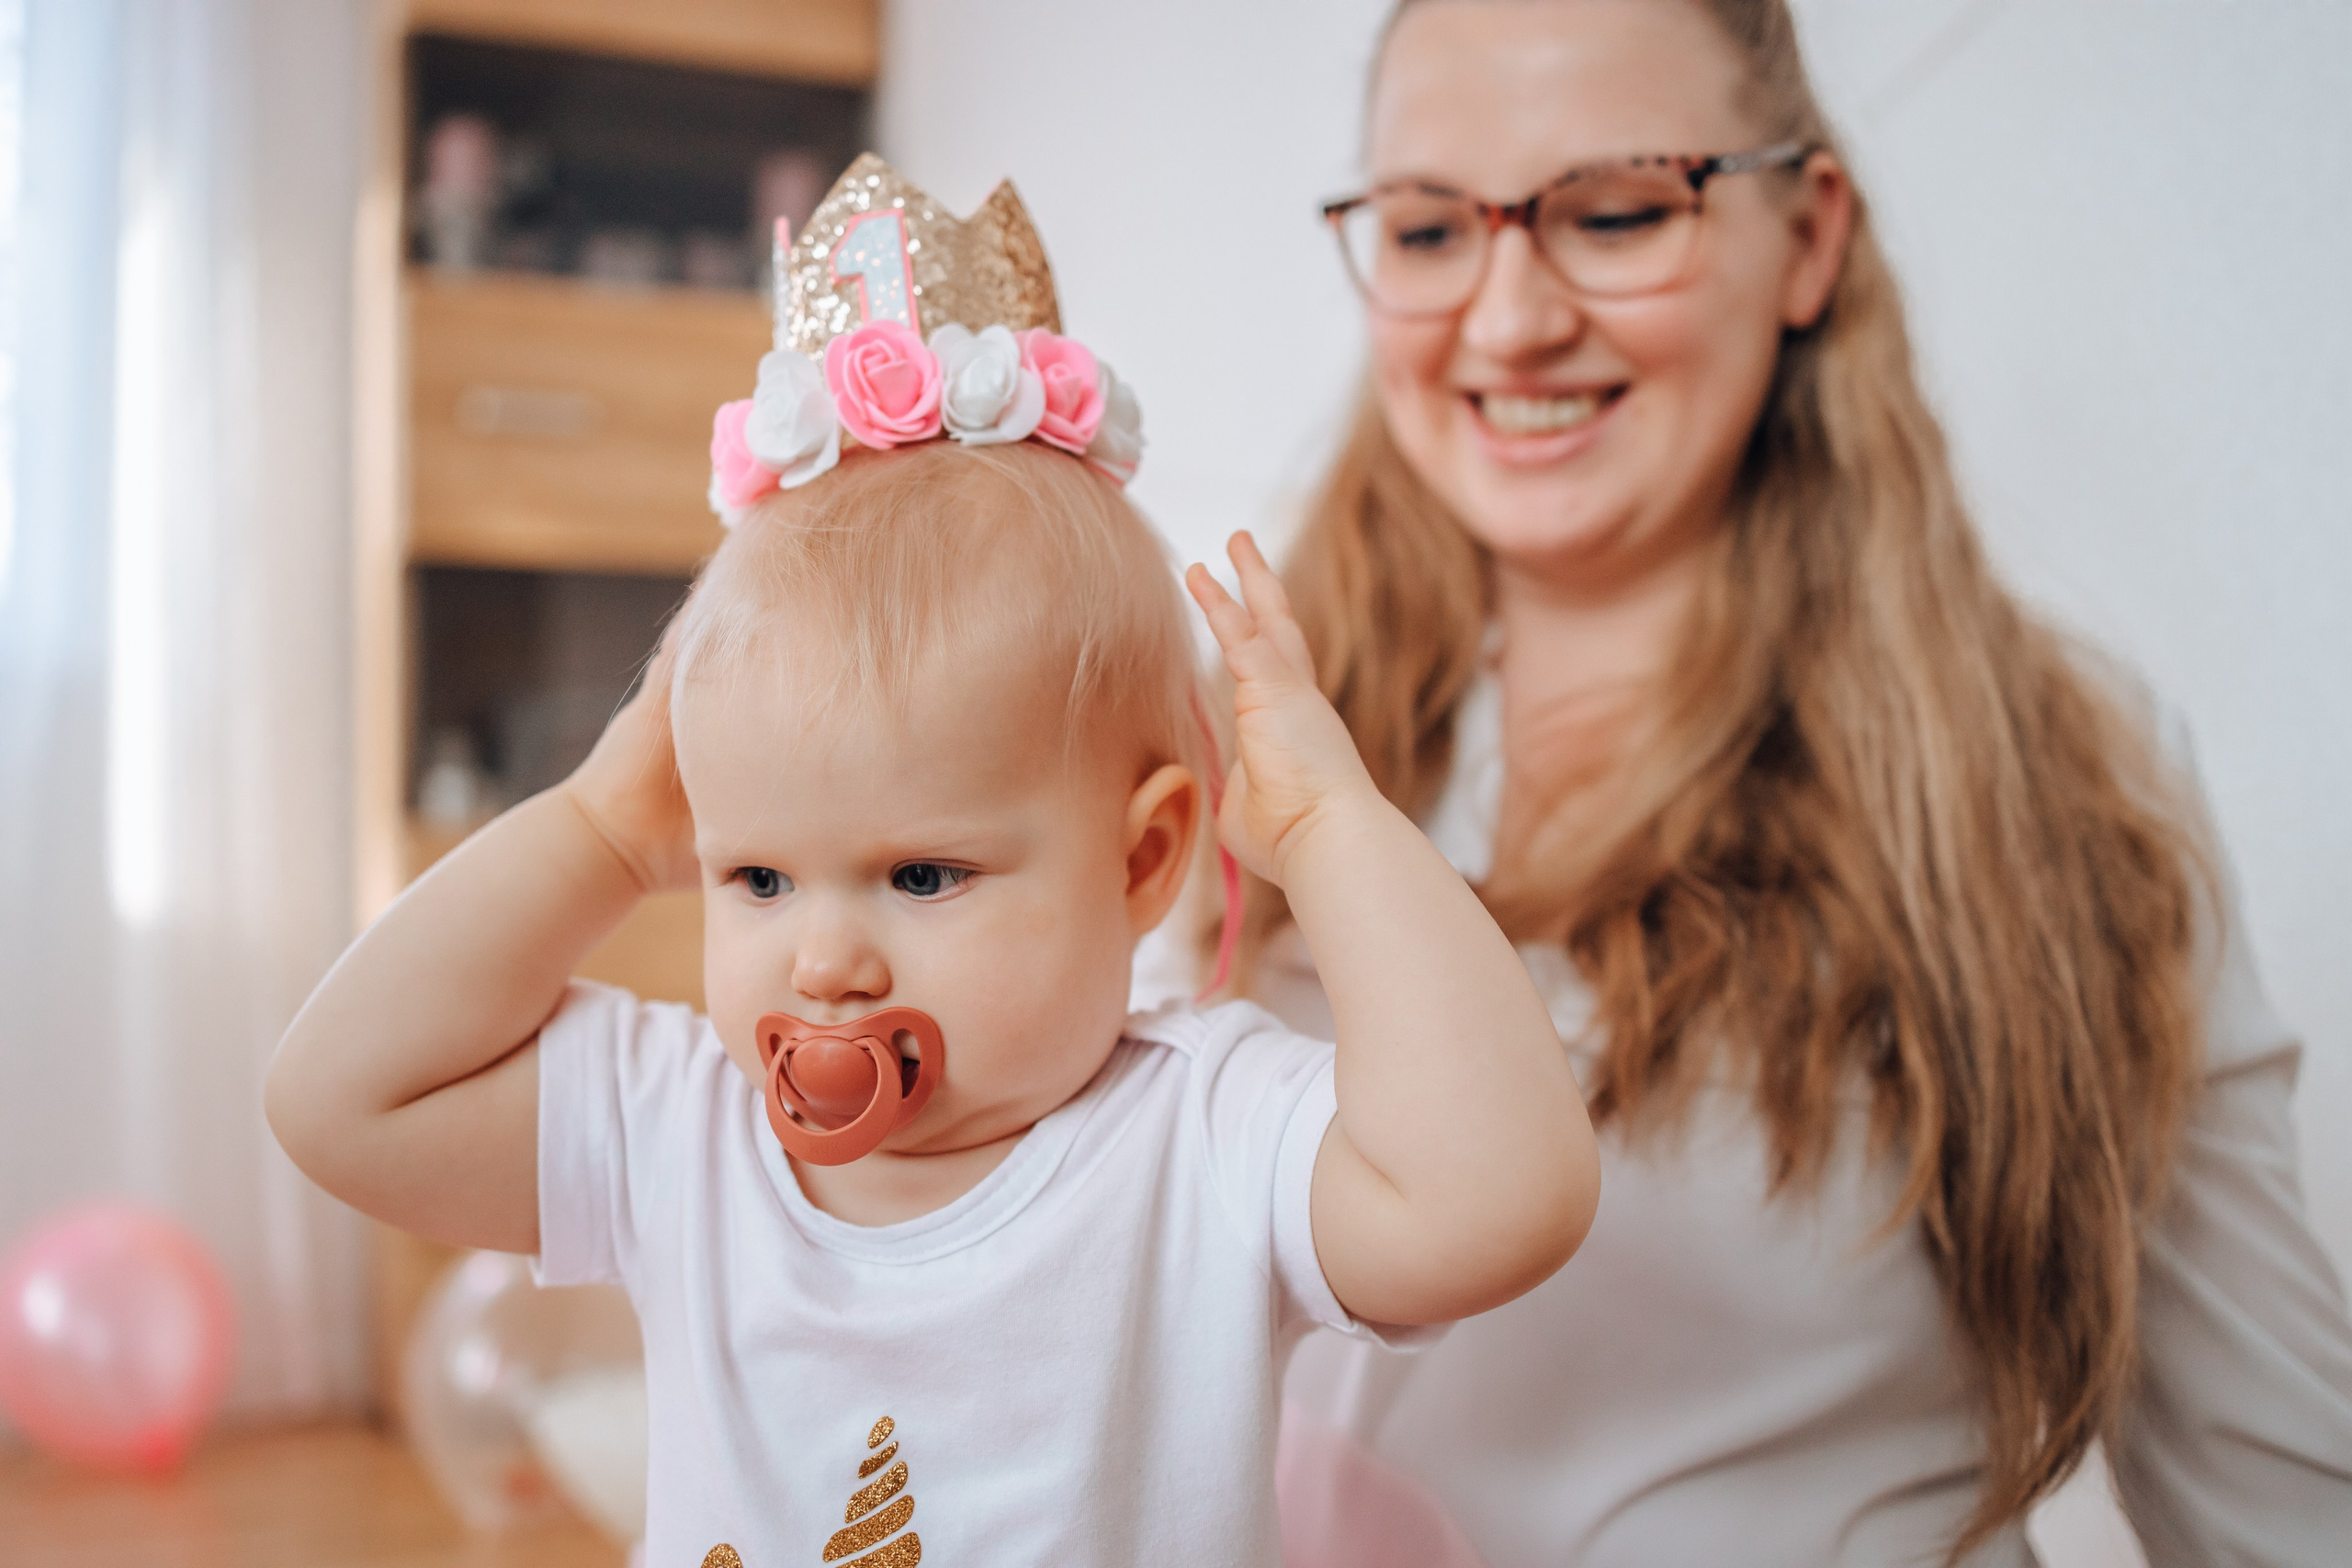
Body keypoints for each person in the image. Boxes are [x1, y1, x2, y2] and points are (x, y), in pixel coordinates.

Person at [264, 155, 1599, 1568]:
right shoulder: (682, 1125)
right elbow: (337, 1100)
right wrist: (599, 828)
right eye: (759, 880)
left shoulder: (1203, 1139)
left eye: (922, 878)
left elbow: (1503, 1201)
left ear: (1142, 863)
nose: (823, 958)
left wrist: (1338, 836)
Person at [1147, 2, 2352, 1563]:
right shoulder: (1203, 741)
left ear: (1807, 235)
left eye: (1620, 212)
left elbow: (2278, 1502)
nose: (1507, 321)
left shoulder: (2064, 777)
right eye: (1433, 231)